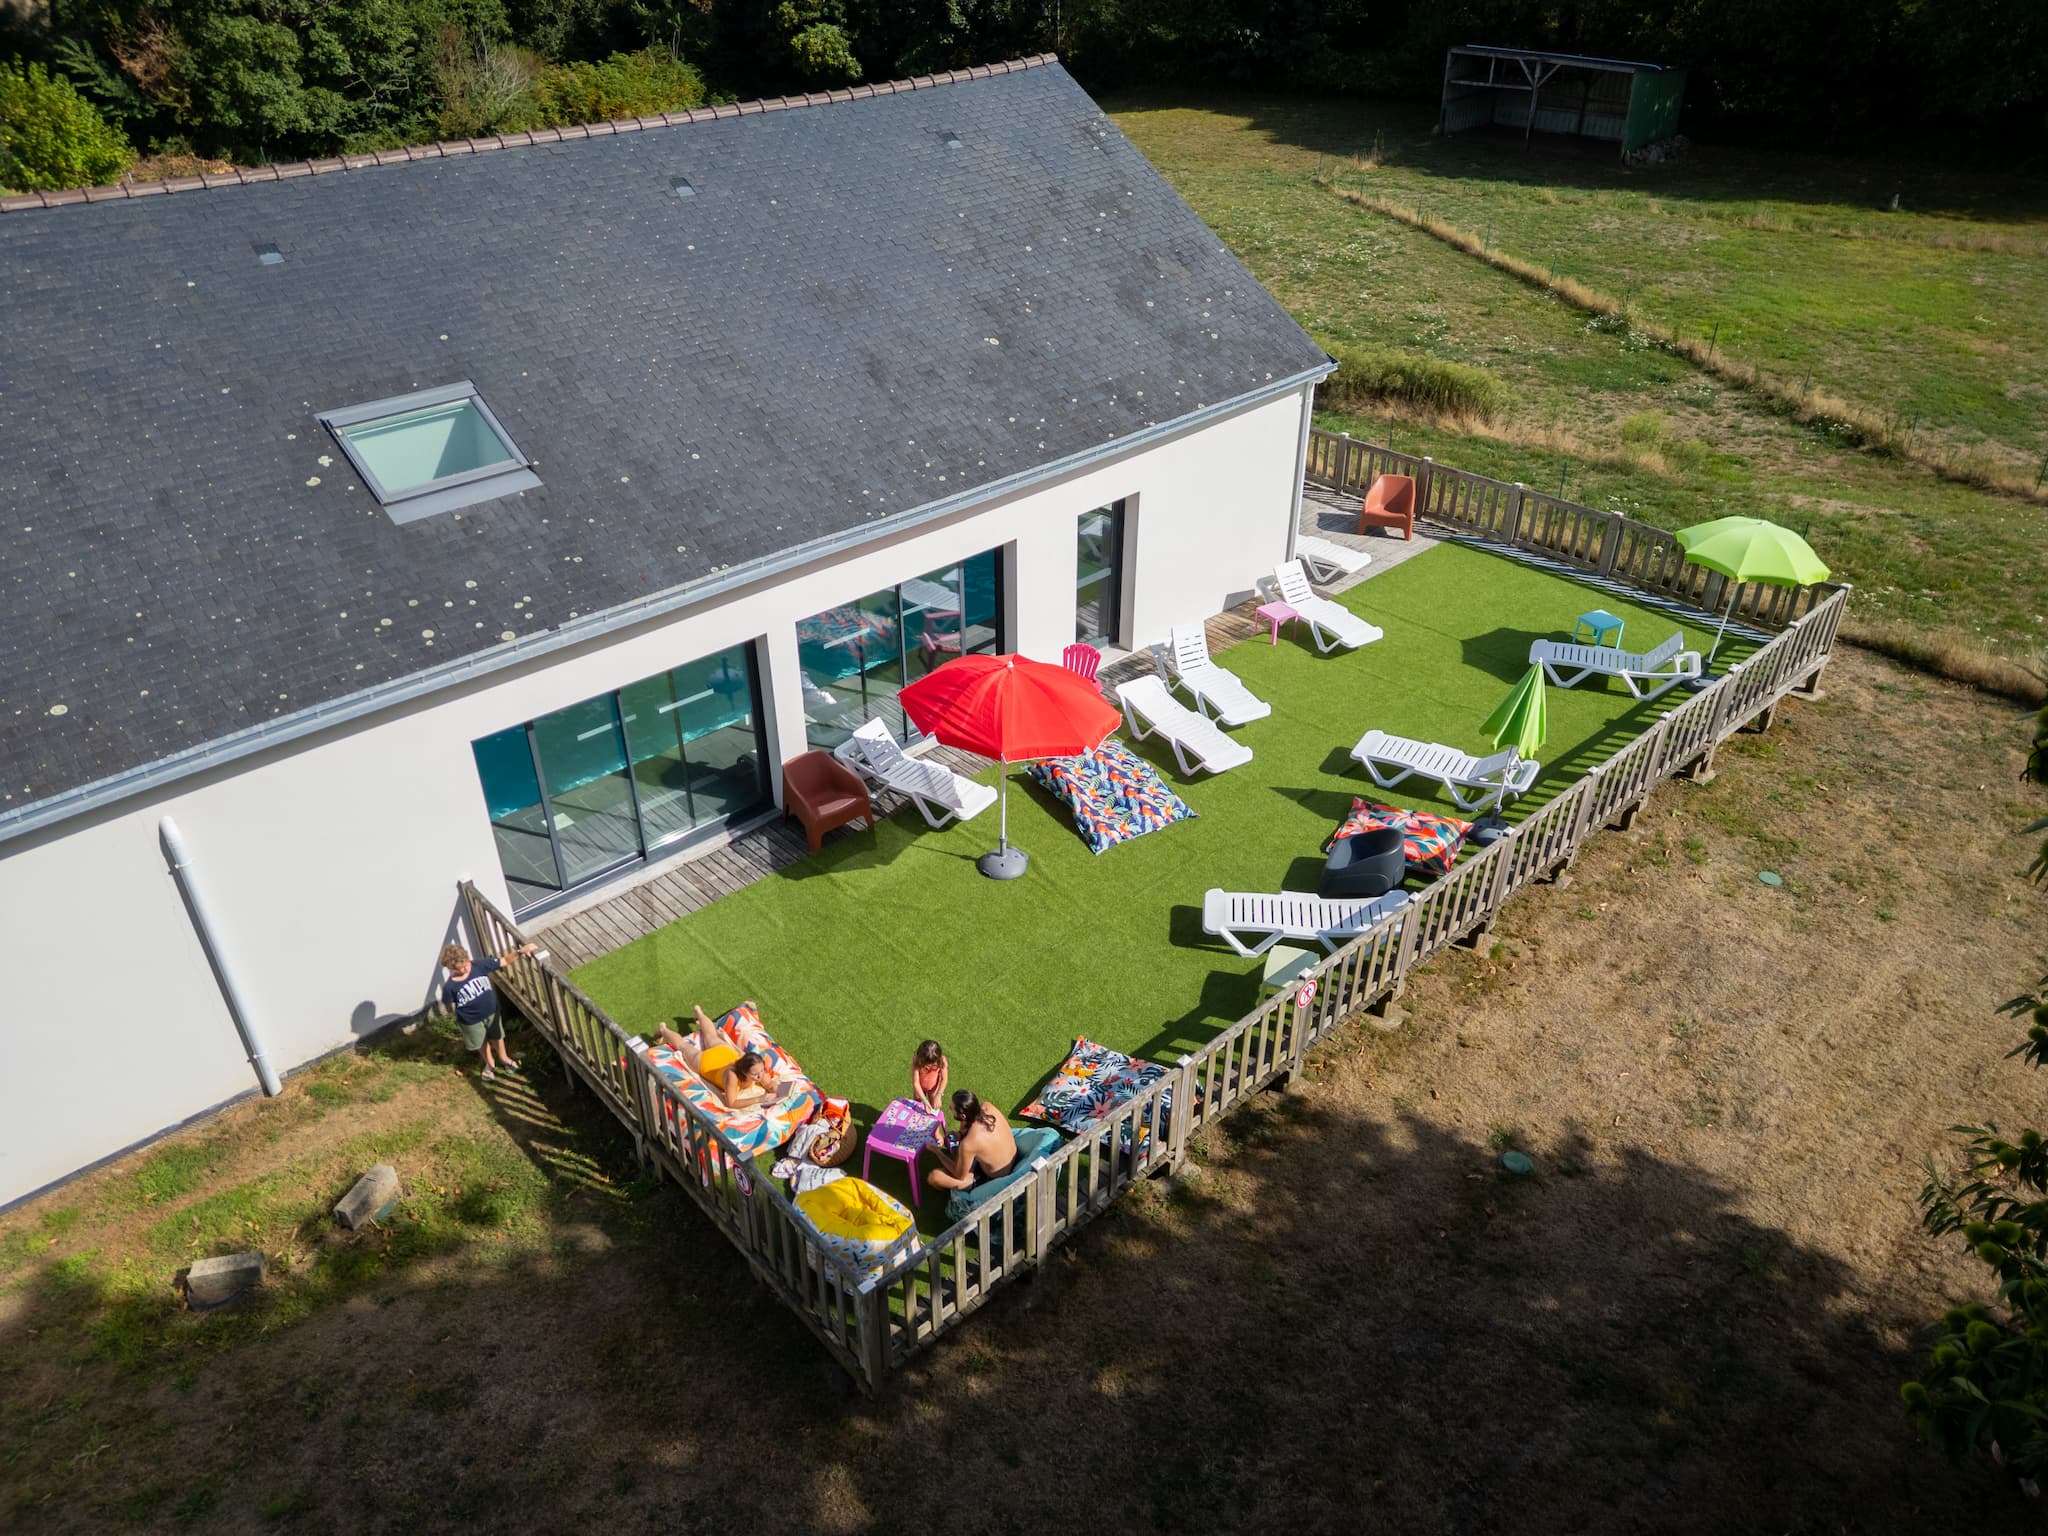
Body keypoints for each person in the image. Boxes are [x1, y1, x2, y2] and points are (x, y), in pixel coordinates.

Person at [439, 940, 535, 1082]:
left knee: (497, 1036)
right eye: (459, 969)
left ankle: (504, 1058)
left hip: (492, 1013)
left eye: (466, 965)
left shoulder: (479, 965)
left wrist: (520, 951)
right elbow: (448, 1002)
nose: (465, 970)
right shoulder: (449, 987)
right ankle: (490, 1063)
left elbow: (504, 961)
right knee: (481, 1042)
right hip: (471, 1021)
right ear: (450, 968)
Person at [655, 1006, 782, 1110]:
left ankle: (699, 1013)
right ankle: (663, 1029)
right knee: (682, 1046)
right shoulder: (733, 1076)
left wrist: (775, 1089)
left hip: (725, 1053)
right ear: (744, 1071)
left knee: (711, 1035)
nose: (760, 1076)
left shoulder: (756, 1066)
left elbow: (770, 1084)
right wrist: (759, 1099)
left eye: (761, 1071)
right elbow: (731, 1103)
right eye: (755, 1074)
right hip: (706, 1063)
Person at [927, 1089, 1019, 1193]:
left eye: (952, 1108)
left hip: (997, 1177)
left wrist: (938, 1152)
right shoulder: (987, 1106)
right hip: (1013, 1157)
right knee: (962, 1147)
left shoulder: (968, 1143)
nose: (949, 1108)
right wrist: (960, 1135)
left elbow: (959, 1175)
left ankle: (965, 1190)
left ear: (963, 1115)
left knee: (935, 1177)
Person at [910, 1039, 949, 1114]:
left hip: (934, 1088)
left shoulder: (942, 1061)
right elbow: (916, 1083)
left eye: (933, 1064)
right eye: (926, 1064)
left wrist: (939, 1095)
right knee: (917, 1107)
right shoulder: (916, 1061)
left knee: (934, 1108)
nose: (929, 1066)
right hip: (920, 1088)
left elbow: (944, 1079)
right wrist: (925, 1101)